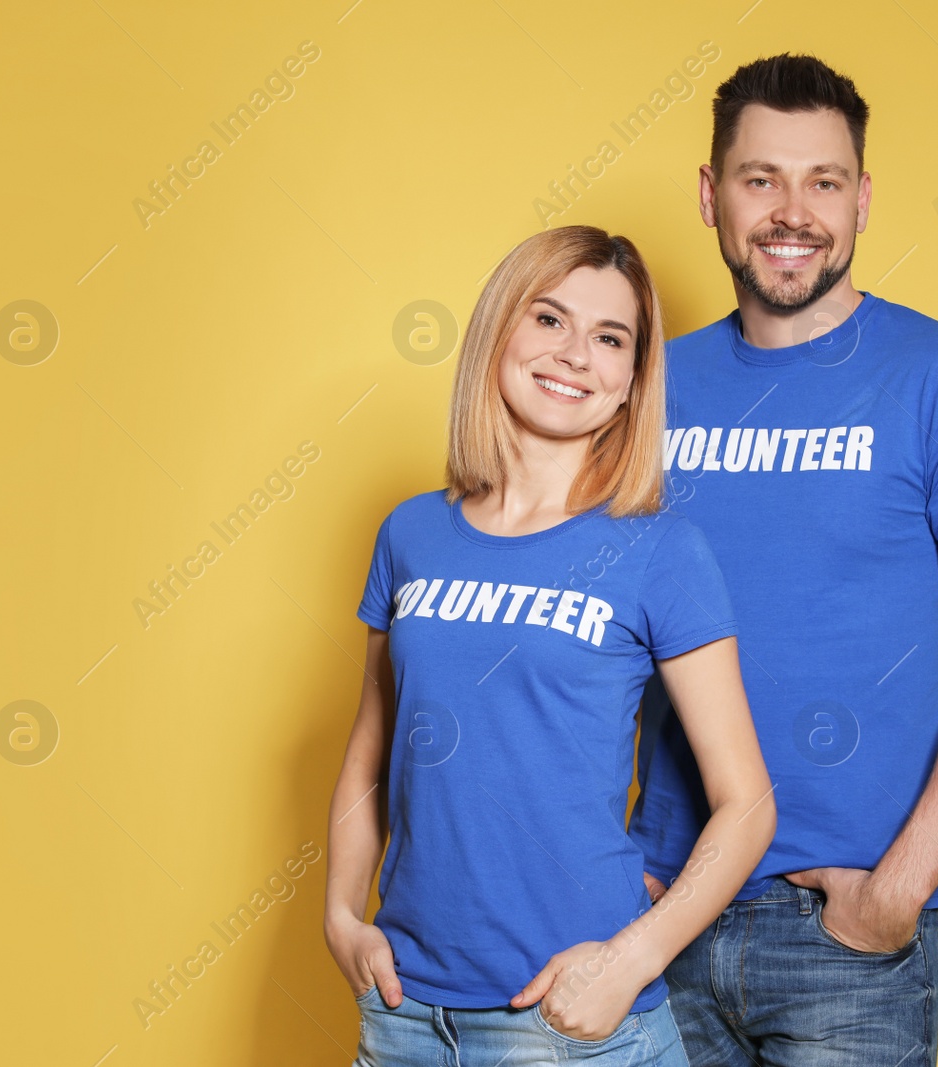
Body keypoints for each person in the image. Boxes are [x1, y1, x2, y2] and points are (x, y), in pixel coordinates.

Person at [629, 54, 938, 1066]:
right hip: (655, 915)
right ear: (710, 195)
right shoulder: (645, 385)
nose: (793, 211)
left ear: (862, 199)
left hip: (843, 936)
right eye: (759, 179)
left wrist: (895, 891)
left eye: (822, 180)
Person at [325, 225, 776, 1066]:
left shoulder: (661, 551)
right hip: (403, 1021)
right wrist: (340, 918)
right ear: (500, 331)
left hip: (570, 1028)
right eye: (549, 320)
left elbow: (747, 802)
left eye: (611, 339)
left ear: (631, 384)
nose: (575, 354)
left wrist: (630, 960)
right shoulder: (412, 533)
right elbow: (369, 754)